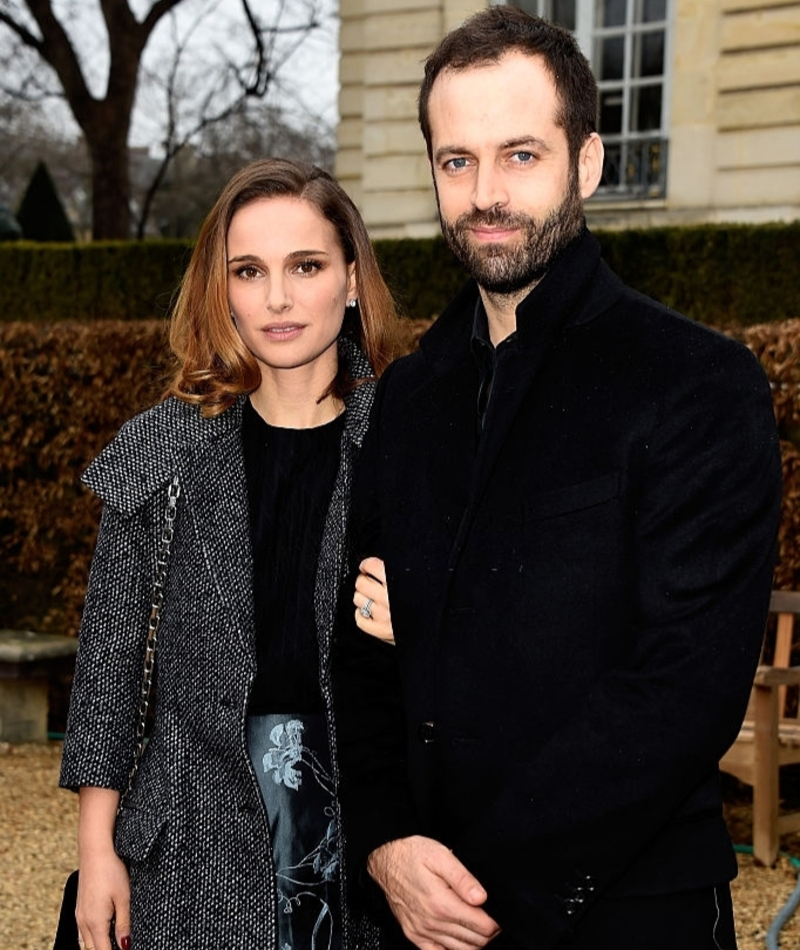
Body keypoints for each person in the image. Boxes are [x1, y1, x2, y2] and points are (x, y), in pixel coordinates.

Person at [333, 8, 783, 950]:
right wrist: (384, 846)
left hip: (620, 914)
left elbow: (680, 690)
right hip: (419, 911)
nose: (486, 192)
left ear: (587, 164)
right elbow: (366, 656)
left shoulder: (697, 383)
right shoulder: (408, 399)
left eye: (520, 155)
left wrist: (476, 883)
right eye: (458, 161)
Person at [59, 157, 403, 950]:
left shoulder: (410, 442)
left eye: (305, 266)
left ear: (351, 280)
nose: (277, 298)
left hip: (361, 835)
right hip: (187, 838)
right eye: (248, 271)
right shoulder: (164, 445)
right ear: (223, 291)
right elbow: (108, 664)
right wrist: (97, 851)